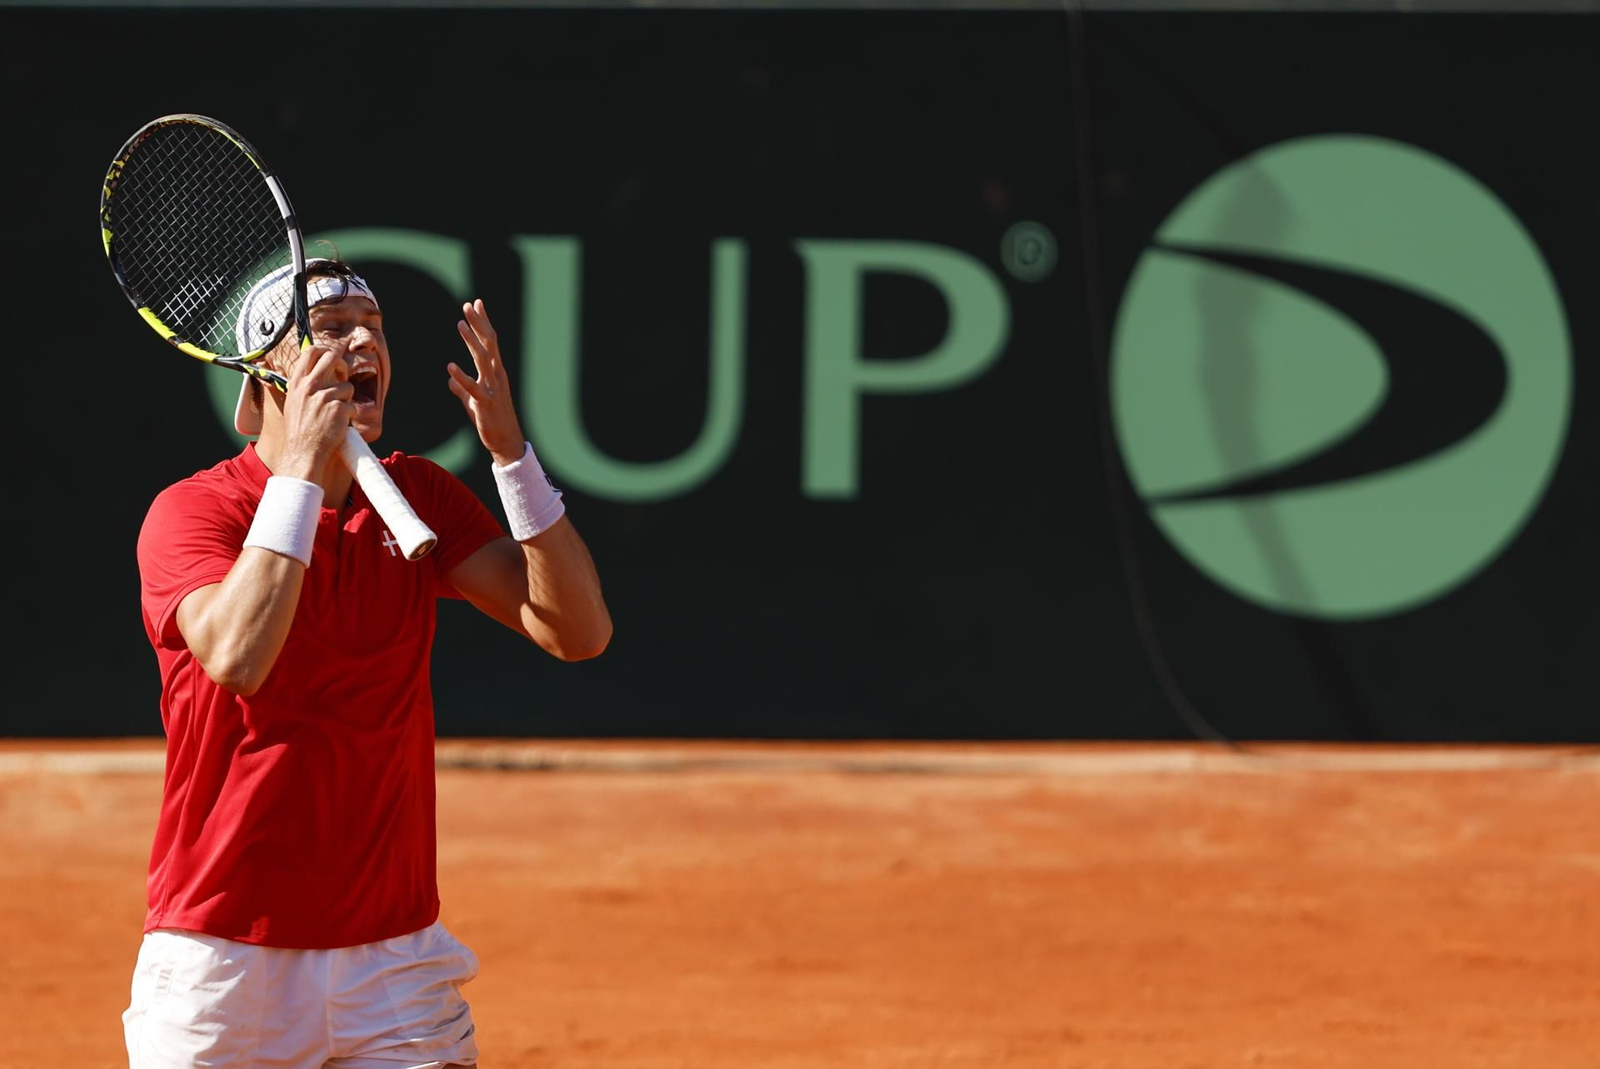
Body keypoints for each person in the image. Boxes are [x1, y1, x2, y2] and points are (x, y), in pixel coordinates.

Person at [124, 258, 612, 1068]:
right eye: (331, 329)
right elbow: (240, 655)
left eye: (374, 329)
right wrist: (304, 474)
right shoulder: (193, 512)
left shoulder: (417, 491)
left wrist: (511, 455)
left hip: (395, 963)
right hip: (222, 961)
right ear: (268, 371)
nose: (363, 343)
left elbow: (576, 629)